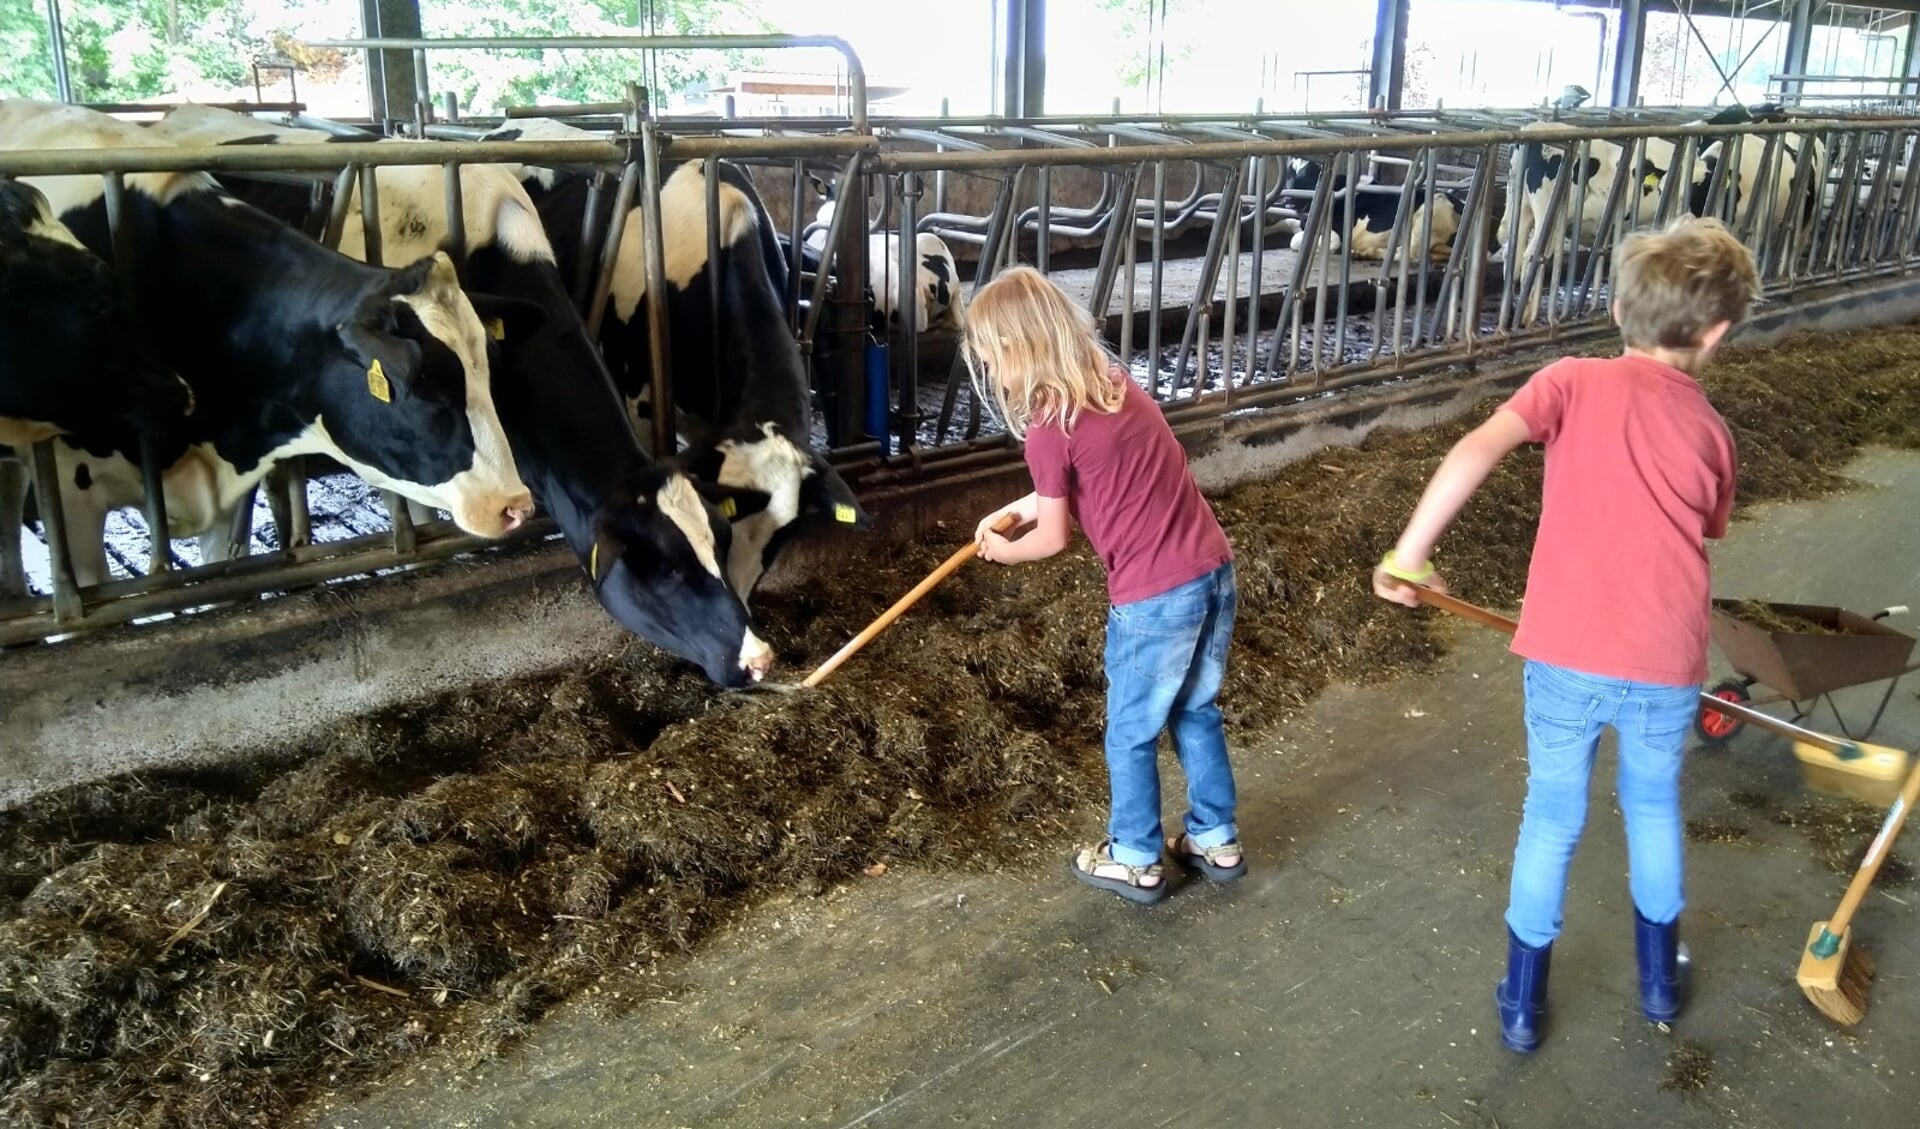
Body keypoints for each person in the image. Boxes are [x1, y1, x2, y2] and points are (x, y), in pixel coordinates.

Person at [1372, 215, 1757, 1052]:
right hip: (1665, 660)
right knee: (1653, 808)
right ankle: (1659, 986)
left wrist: (1411, 556)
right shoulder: (1713, 434)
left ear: (1618, 309)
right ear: (1719, 333)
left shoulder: (1570, 380)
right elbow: (1706, 527)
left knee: (1551, 815)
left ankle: (1521, 1001)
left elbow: (1475, 449)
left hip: (1563, 654)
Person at [964, 266, 1241, 905]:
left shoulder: (1044, 429)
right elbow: (1073, 483)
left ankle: (1137, 857)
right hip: (1211, 569)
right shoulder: (1113, 385)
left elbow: (1054, 535)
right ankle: (1215, 836)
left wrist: (1004, 552)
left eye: (989, 360)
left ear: (1016, 348)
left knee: (1130, 730)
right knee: (1195, 709)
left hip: (1153, 597)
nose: (992, 374)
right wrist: (1011, 511)